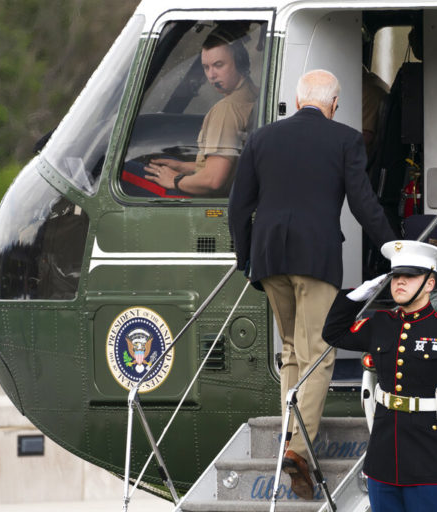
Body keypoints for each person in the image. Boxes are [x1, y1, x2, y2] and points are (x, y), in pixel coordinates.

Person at [228, 69, 395, 500]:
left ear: (299, 101)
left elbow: (238, 205)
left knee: (290, 349)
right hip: (315, 257)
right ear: (334, 104)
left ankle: (288, 438)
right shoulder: (344, 139)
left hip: (269, 258)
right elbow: (363, 203)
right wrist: (394, 248)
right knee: (319, 353)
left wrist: (244, 257)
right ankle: (299, 452)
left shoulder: (262, 138)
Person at [321, 240, 437, 512]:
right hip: (383, 460)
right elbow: (333, 333)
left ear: (429, 284)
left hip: (431, 461)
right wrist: (354, 298)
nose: (400, 282)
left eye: (410, 276)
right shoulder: (381, 324)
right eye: (396, 276)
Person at [141, 30, 258, 197]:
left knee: (131, 173)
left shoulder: (227, 109)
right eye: (206, 67)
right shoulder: (258, 96)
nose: (211, 75)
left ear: (240, 64)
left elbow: (214, 180)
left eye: (218, 65)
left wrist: (175, 179)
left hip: (214, 204)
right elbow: (231, 167)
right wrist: (183, 167)